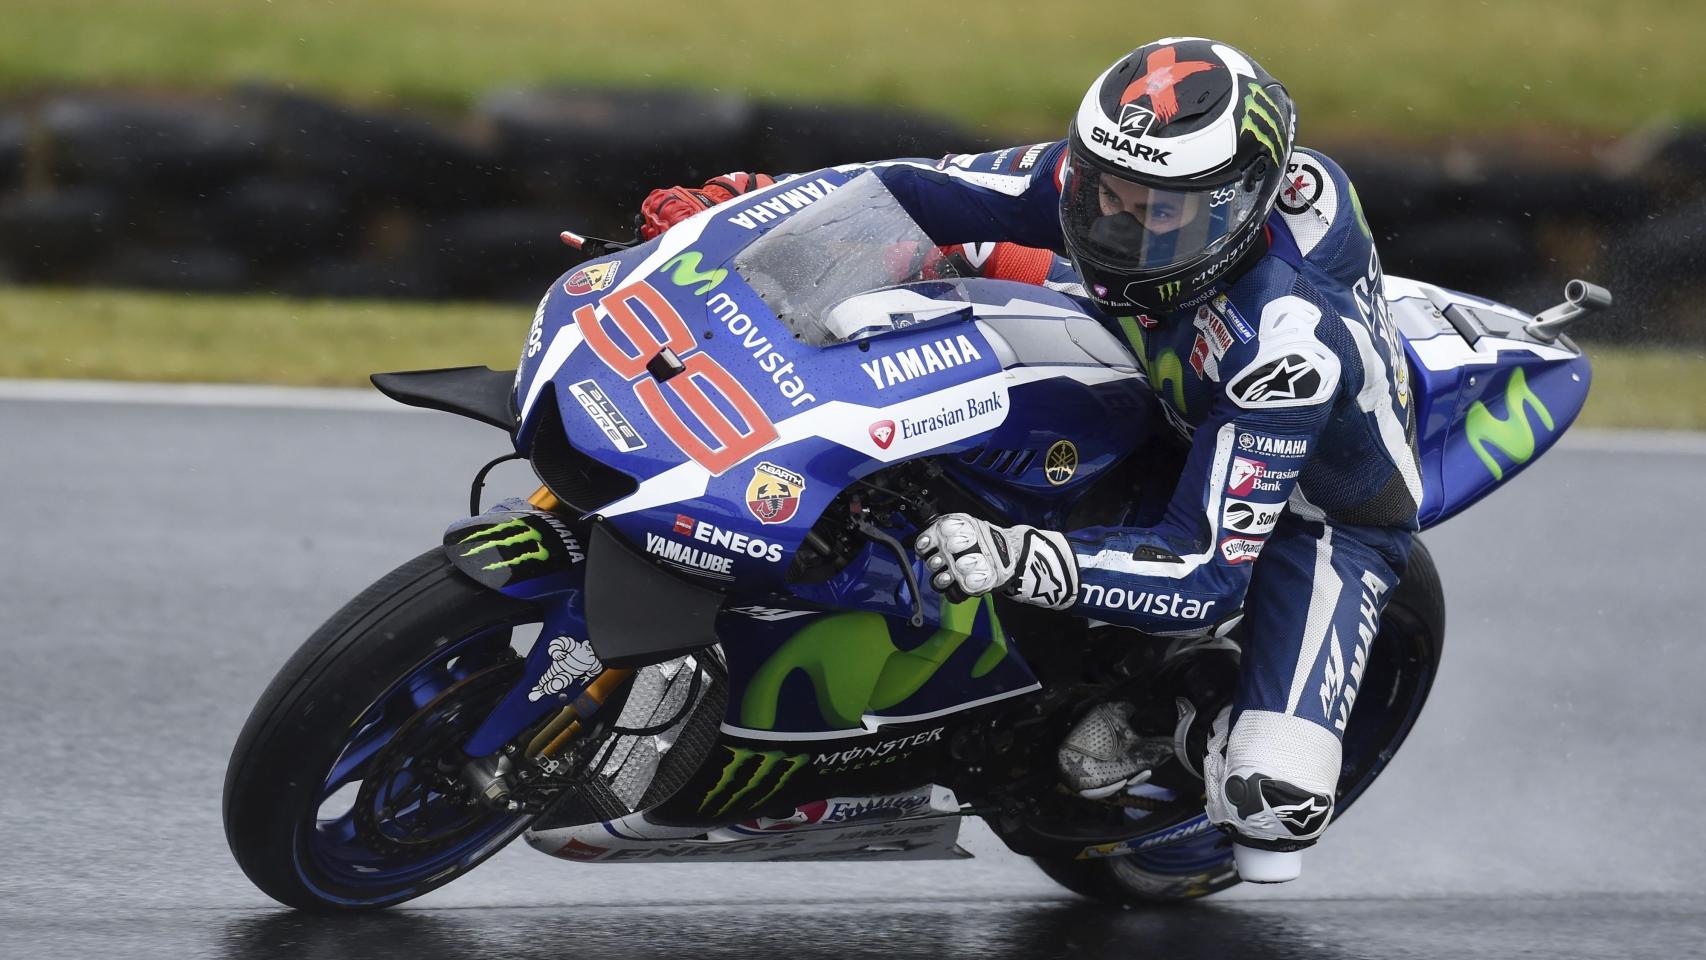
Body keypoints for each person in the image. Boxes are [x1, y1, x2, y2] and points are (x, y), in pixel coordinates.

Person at [635, 37, 1419, 884]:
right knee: (922, 267)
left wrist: (1016, 557)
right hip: (1155, 351)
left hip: (1317, 502)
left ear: (1239, 207)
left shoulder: (1283, 346)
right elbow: (905, 192)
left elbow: (1202, 569)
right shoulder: (1125, 191)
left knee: (1271, 815)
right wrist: (748, 209)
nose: (1117, 223)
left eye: (1158, 212)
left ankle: (1179, 714)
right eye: (1104, 190)